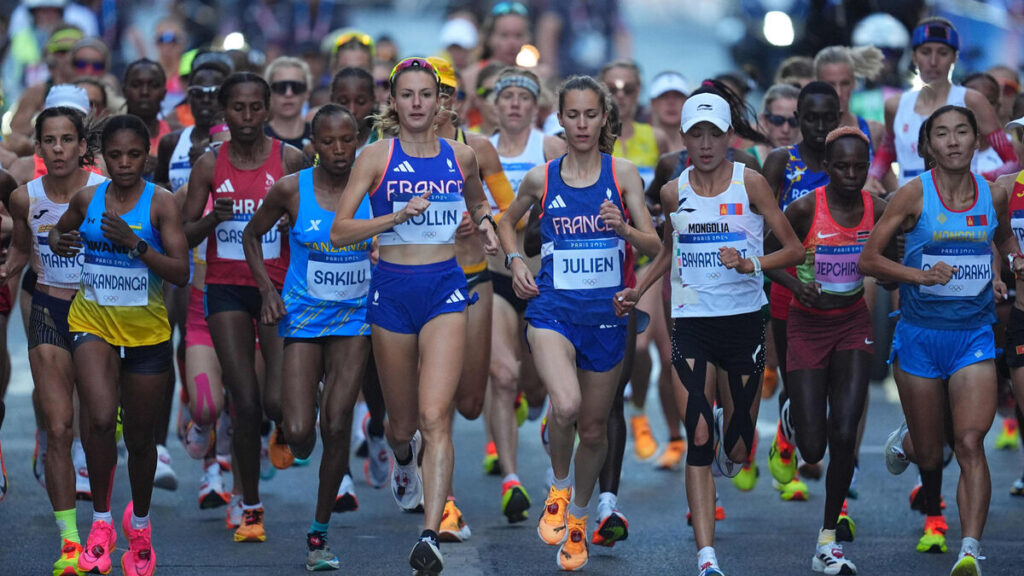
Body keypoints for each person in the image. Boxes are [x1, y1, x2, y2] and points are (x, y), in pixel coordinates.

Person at [614, 91, 804, 576]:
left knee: (736, 453)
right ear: (684, 139)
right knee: (697, 438)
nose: (704, 144)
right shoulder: (674, 192)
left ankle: (734, 434)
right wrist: (638, 290)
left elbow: (795, 250)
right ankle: (706, 557)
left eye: (713, 134)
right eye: (695, 134)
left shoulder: (753, 183)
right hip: (692, 323)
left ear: (728, 138)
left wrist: (751, 263)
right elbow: (667, 251)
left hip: (744, 324)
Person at [329, 57, 498, 575]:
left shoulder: (461, 156)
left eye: (427, 94)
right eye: (408, 94)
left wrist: (487, 226)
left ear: (440, 101)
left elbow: (480, 203)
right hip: (392, 292)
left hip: (446, 288)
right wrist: (394, 217)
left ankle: (430, 535)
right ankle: (402, 460)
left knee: (434, 416)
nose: (418, 103)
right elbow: (340, 232)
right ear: (394, 102)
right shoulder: (376, 157)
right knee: (401, 425)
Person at [499, 75, 659, 571]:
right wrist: (515, 262)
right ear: (560, 119)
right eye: (573, 115)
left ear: (604, 118)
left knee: (594, 429)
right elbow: (507, 222)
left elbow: (655, 247)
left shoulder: (625, 174)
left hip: (608, 317)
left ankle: (578, 521)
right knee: (564, 405)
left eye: (592, 114)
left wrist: (624, 228)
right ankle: (560, 486)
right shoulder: (540, 178)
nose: (583, 124)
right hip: (553, 311)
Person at [861, 105, 1020, 576]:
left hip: (973, 335)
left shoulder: (993, 195)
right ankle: (910, 441)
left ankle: (969, 548)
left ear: (976, 142)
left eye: (962, 132)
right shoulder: (912, 195)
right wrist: (920, 275)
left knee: (971, 441)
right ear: (928, 146)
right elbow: (869, 259)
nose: (953, 141)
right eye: (943, 134)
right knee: (932, 454)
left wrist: (1008, 265)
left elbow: (1004, 239)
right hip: (919, 337)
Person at [49, 114, 189, 576]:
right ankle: (103, 523)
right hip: (92, 323)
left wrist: (135, 245)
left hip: (147, 334)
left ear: (147, 154)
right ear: (100, 158)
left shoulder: (161, 204)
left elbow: (180, 272)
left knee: (142, 438)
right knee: (102, 418)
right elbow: (59, 229)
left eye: (133, 154)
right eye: (115, 155)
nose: (125, 163)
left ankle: (141, 528)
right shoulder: (88, 197)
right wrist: (59, 238)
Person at [244, 104, 370, 571]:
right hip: (303, 318)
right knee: (300, 435)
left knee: (336, 423)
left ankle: (318, 536)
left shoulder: (372, 186)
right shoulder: (290, 190)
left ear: (357, 141)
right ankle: (299, 408)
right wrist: (266, 292)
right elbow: (252, 236)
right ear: (312, 145)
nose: (339, 150)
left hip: (355, 318)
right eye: (329, 142)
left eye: (347, 140)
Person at [183, 72, 305, 543]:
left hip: (279, 292)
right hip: (225, 291)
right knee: (245, 401)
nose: (248, 117)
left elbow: (310, 224)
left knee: (275, 401)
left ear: (270, 110)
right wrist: (215, 216)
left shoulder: (290, 160)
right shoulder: (209, 167)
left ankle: (285, 421)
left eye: (257, 108)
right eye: (239, 109)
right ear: (224, 112)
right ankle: (250, 505)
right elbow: (185, 234)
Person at [764, 126, 889, 574]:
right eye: (841, 166)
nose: (851, 175)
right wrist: (798, 283)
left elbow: (894, 252)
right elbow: (768, 254)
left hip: (853, 324)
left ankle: (828, 538)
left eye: (859, 166)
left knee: (844, 432)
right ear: (827, 168)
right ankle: (793, 415)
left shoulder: (880, 208)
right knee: (813, 448)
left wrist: (896, 275)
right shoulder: (804, 208)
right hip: (807, 325)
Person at [0, 99, 107, 574]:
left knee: (98, 426)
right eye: (50, 140)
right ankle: (69, 543)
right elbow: (20, 254)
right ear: (39, 146)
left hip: (101, 316)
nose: (59, 148)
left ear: (83, 146)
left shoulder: (107, 191)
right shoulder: (25, 197)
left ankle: (103, 524)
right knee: (59, 427)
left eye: (68, 139)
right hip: (47, 308)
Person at [483, 65, 565, 526]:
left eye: (523, 96)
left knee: (536, 389)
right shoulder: (479, 150)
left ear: (537, 107)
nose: (514, 103)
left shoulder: (550, 148)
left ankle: (534, 405)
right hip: (496, 276)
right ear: (494, 105)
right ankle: (511, 479)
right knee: (503, 372)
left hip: (544, 280)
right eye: (507, 95)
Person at [761, 81, 842, 501]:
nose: (819, 126)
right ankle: (787, 436)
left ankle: (835, 490)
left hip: (839, 287)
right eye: (809, 118)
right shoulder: (780, 161)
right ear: (798, 120)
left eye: (829, 118)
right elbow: (761, 231)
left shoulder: (847, 160)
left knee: (832, 385)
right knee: (797, 385)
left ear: (839, 119)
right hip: (789, 288)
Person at [869, 17, 1015, 192]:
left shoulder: (972, 100)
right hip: (908, 207)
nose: (933, 61)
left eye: (942, 53)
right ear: (914, 57)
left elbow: (1013, 162)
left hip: (960, 206)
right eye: (925, 52)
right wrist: (872, 178)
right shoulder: (895, 105)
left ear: (954, 57)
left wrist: (979, 179)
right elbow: (888, 150)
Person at [122, 59, 170, 181]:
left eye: (153, 85)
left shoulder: (176, 136)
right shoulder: (105, 134)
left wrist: (161, 169)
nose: (144, 92)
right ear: (124, 91)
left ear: (164, 92)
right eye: (136, 85)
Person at [264, 57, 313, 152]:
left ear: (307, 93)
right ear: (269, 93)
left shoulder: (319, 138)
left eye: (296, 87)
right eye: (280, 87)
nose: (288, 93)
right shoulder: (257, 139)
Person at [329, 67, 378, 151]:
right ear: (332, 101)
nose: (352, 110)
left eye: (361, 102)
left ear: (373, 101)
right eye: (343, 102)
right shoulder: (318, 150)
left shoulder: (386, 147)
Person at [648, 71, 690, 152]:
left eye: (678, 96)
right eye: (664, 96)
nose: (671, 102)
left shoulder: (699, 146)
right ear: (653, 103)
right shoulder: (639, 142)